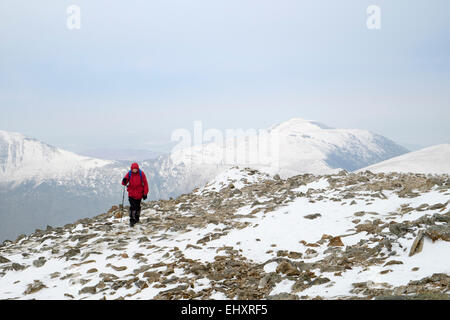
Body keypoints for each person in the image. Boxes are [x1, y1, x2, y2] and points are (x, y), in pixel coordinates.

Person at [121, 162, 149, 227]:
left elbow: (145, 184)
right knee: (132, 206)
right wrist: (124, 180)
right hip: (131, 193)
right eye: (133, 169)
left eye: (136, 169)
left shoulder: (142, 174)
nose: (134, 170)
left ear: (137, 168)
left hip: (139, 194)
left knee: (137, 206)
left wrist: (145, 193)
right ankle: (132, 220)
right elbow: (124, 183)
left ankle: (137, 218)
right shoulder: (129, 173)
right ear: (131, 169)